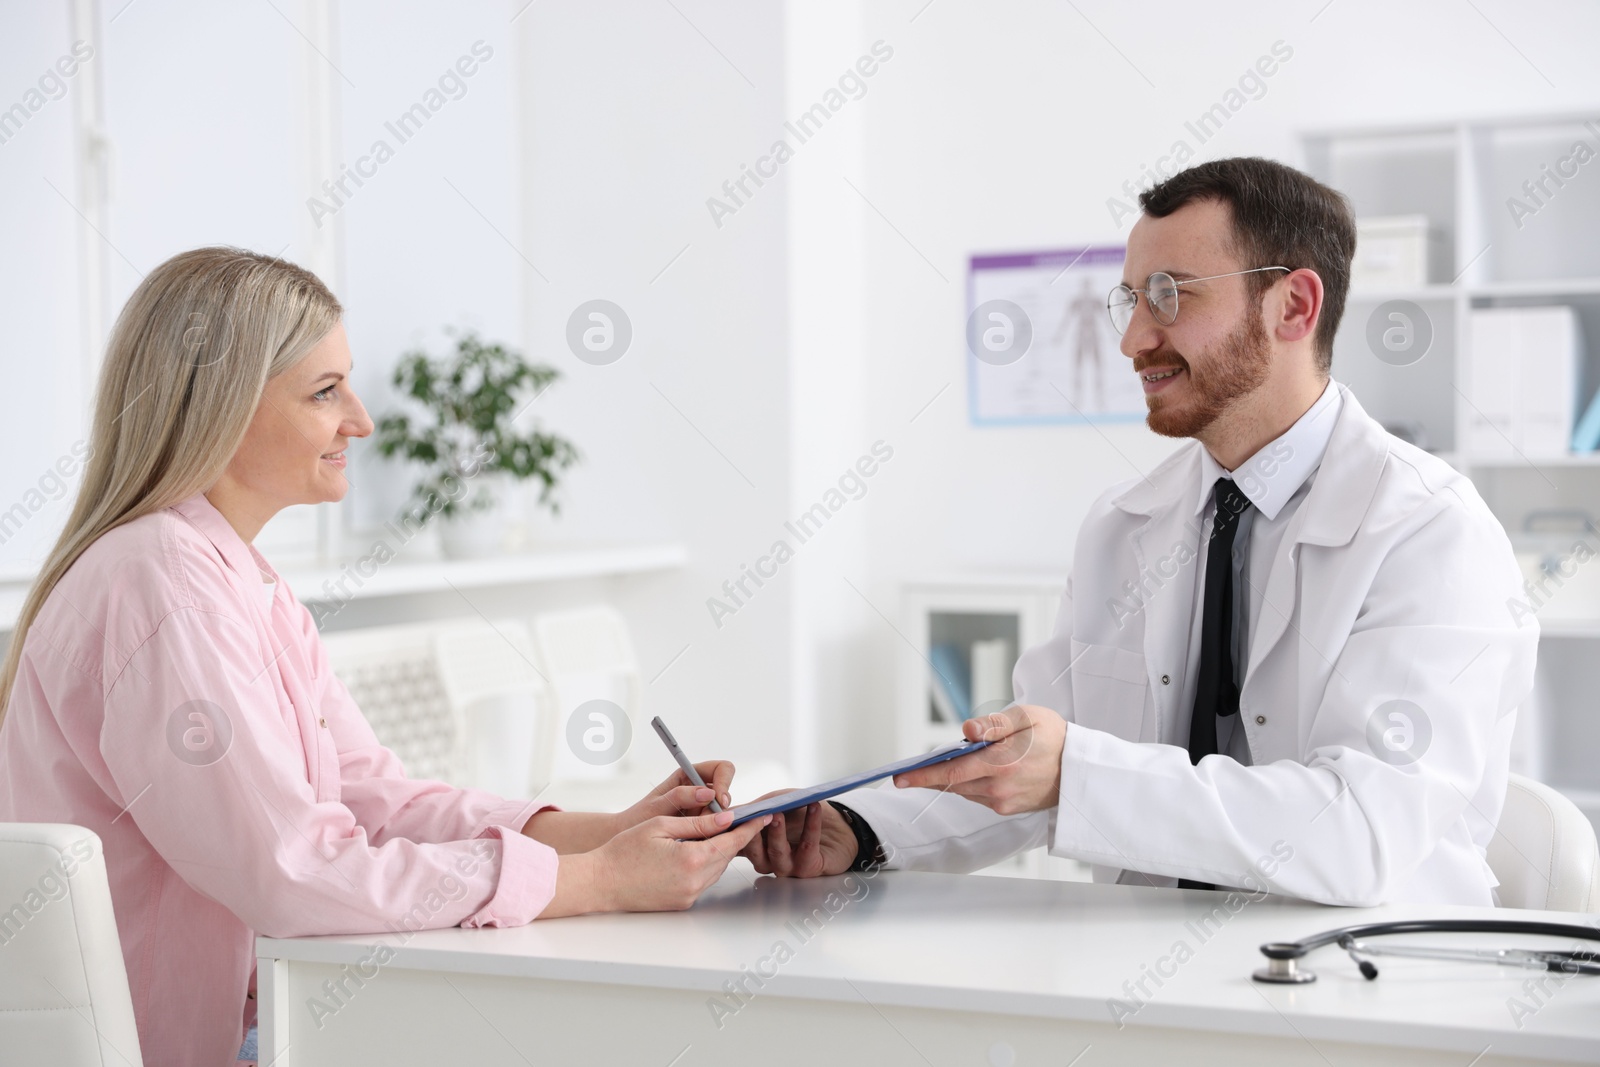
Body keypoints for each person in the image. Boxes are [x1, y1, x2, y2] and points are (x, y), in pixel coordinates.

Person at [0, 247, 769, 1067]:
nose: (361, 421)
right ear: (220, 410)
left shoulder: (237, 581)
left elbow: (375, 800)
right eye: (325, 392)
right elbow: (292, 872)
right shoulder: (162, 587)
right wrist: (601, 883)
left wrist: (604, 835)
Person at [743, 157, 1538, 907]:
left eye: (1171, 294)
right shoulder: (1125, 526)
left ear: (1293, 306)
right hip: (1150, 971)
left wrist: (1080, 770)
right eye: (1131, 300)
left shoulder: (1431, 533)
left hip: (1375, 989)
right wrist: (859, 829)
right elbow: (1026, 774)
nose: (1132, 340)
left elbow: (1359, 833)